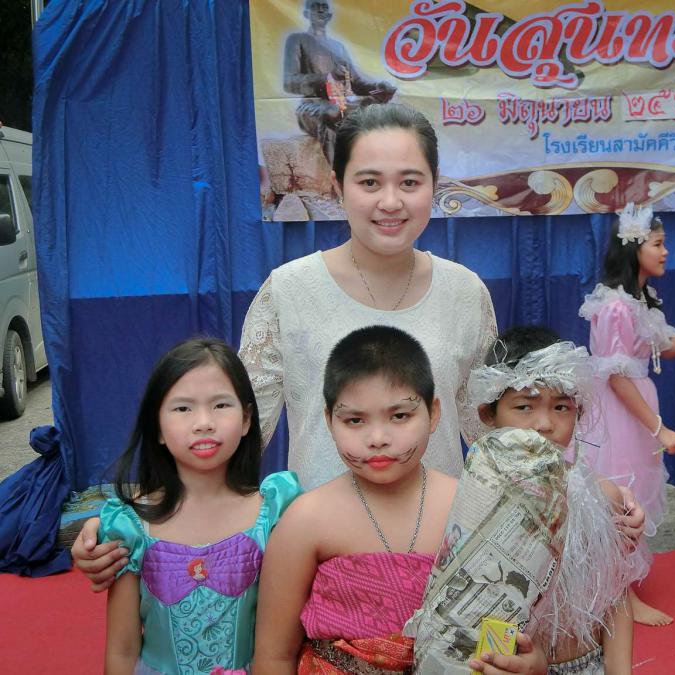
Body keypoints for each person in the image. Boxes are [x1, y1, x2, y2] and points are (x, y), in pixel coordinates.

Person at [71, 102, 497, 588]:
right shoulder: (290, 291)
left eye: (410, 182)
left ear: (434, 186)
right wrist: (131, 519)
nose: (390, 201)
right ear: (337, 186)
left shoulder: (465, 293)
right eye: (369, 182)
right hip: (321, 559)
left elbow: (492, 437)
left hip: (441, 557)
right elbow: (231, 432)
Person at [252, 325, 548, 674]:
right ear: (330, 420)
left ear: (433, 413)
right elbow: (274, 656)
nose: (378, 437)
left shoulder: (479, 508)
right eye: (355, 420)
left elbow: (516, 633)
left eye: (400, 416)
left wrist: (531, 664)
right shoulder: (306, 519)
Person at [99, 338, 302, 674]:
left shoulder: (273, 514)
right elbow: (122, 650)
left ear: (247, 419)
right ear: (157, 428)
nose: (204, 422)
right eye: (183, 409)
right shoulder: (130, 525)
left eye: (221, 405)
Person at [578, 203, 675, 626]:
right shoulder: (615, 307)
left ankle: (619, 589)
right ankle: (618, 598)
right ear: (634, 248)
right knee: (620, 498)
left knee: (632, 497)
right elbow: (617, 378)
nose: (666, 252)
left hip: (635, 408)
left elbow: (663, 348)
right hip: (621, 414)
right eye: (658, 244)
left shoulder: (638, 301)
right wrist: (660, 428)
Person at [468, 325, 644, 675]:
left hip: (587, 663)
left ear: (579, 412)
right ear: (489, 414)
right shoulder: (475, 502)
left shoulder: (601, 498)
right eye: (524, 406)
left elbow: (614, 594)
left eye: (561, 407)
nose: (544, 424)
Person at [283, 0, 395, 166]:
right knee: (333, 112)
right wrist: (327, 77)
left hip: (343, 105)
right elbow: (289, 82)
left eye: (324, 7)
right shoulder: (297, 40)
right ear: (306, 14)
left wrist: (378, 89)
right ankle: (338, 172)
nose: (321, 10)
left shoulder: (338, 47)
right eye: (315, 6)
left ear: (329, 15)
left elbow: (356, 84)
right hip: (313, 106)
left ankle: (374, 164)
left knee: (374, 107)